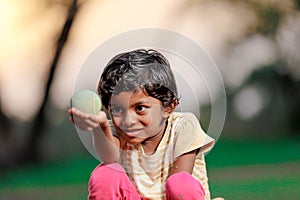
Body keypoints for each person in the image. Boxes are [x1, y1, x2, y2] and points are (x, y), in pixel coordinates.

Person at [69, 49, 218, 200]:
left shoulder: (183, 126)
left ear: (168, 107)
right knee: (105, 174)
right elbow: (110, 157)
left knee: (181, 182)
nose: (128, 120)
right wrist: (99, 127)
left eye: (140, 108)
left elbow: (180, 188)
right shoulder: (117, 132)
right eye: (117, 109)